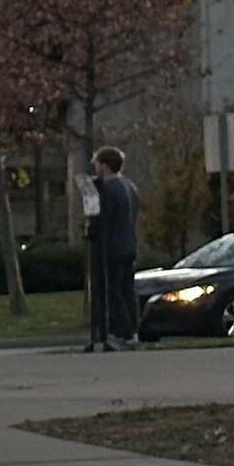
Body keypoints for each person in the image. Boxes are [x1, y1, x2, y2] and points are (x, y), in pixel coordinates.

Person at [90, 145, 141, 350]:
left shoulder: (109, 191)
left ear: (104, 166)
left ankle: (123, 332)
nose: (96, 169)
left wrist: (91, 228)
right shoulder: (130, 187)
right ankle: (133, 331)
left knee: (113, 290)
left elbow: (103, 221)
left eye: (97, 165)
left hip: (112, 247)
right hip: (130, 244)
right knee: (128, 290)